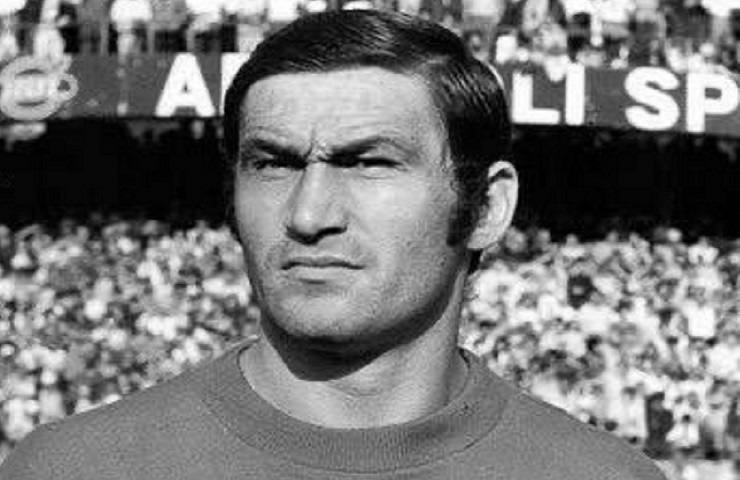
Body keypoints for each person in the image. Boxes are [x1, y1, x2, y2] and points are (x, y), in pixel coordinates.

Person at [0, 10, 666, 480]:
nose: (309, 214)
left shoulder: (604, 476)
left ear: (488, 208)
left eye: (369, 163)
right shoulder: (71, 470)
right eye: (273, 163)